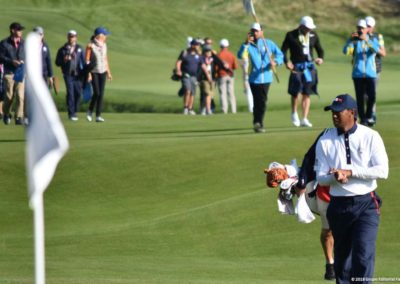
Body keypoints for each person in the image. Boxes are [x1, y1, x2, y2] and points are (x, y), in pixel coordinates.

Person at [315, 93, 389, 283]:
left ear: (352, 113)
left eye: (339, 112)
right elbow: (321, 178)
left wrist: (350, 172)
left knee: (363, 255)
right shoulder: (325, 140)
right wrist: (335, 176)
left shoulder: (371, 136)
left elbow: (382, 171)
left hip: (366, 204)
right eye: (332, 112)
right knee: (342, 262)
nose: (334, 116)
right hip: (338, 206)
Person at [295, 131, 335, 280]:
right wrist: (302, 181)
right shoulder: (326, 134)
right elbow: (309, 158)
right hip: (326, 191)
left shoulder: (364, 136)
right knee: (328, 231)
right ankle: (330, 263)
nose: (335, 116)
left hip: (353, 192)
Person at [237, 22, 284, 133]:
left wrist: (275, 62)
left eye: (257, 31)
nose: (255, 33)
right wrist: (245, 44)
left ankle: (256, 122)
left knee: (261, 101)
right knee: (259, 101)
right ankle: (259, 123)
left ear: (261, 32)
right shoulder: (248, 45)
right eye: (253, 31)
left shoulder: (269, 43)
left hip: (266, 78)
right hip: (254, 79)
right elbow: (241, 55)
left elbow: (280, 55)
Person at [281, 16, 324, 128]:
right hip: (296, 68)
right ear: (301, 26)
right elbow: (283, 51)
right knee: (295, 93)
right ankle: (294, 113)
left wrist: (320, 58)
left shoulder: (313, 35)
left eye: (310, 28)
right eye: (307, 28)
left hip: (310, 68)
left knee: (307, 93)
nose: (309, 30)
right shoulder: (291, 35)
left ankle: (304, 118)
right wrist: (286, 62)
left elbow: (320, 50)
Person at [343, 19, 380, 127]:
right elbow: (346, 51)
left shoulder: (372, 39)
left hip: (370, 73)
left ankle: (369, 115)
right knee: (360, 98)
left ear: (366, 29)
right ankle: (363, 118)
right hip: (358, 74)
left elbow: (376, 50)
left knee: (372, 96)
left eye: (362, 28)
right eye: (358, 28)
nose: (360, 30)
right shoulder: (354, 41)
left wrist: (366, 41)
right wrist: (350, 40)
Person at [55, 30, 85, 121]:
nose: (72, 38)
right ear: (68, 37)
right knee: (70, 93)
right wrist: (64, 60)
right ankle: (71, 113)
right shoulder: (62, 49)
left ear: (76, 37)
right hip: (68, 74)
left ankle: (75, 111)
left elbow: (83, 62)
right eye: (70, 36)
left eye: (73, 36)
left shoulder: (79, 48)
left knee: (78, 93)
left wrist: (88, 74)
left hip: (78, 75)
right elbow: (57, 62)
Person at [85, 26, 112, 122]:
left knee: (101, 94)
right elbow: (87, 61)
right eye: (105, 35)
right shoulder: (90, 46)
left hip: (103, 71)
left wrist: (108, 72)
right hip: (94, 72)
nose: (106, 36)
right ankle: (89, 111)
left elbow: (105, 59)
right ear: (100, 35)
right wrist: (88, 74)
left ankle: (98, 116)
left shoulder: (104, 45)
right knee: (97, 92)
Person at [0, 22, 25, 125]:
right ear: (12, 30)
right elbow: (0, 57)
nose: (20, 31)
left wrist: (24, 61)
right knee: (9, 97)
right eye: (18, 29)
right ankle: (6, 113)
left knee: (20, 96)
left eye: (21, 30)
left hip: (20, 71)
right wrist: (12, 61)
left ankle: (19, 117)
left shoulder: (24, 43)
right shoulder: (4, 43)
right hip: (9, 73)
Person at [365, 16, 386, 123]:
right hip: (361, 70)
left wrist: (372, 46)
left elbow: (383, 53)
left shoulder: (378, 36)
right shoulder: (358, 35)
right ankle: (367, 115)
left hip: (375, 69)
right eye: (366, 26)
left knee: (371, 93)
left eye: (369, 26)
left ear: (373, 27)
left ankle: (371, 115)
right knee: (364, 95)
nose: (368, 28)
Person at [175, 39, 202, 115]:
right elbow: (179, 62)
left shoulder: (198, 55)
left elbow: (202, 65)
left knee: (193, 93)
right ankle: (185, 108)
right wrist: (178, 70)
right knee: (188, 90)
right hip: (185, 75)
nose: (198, 46)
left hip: (194, 76)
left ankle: (190, 108)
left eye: (199, 45)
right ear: (192, 45)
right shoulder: (185, 53)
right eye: (197, 45)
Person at [216, 38, 238, 114]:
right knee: (231, 93)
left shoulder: (218, 55)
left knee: (223, 93)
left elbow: (216, 67)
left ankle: (224, 110)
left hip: (222, 75)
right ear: (227, 46)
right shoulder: (231, 55)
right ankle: (233, 110)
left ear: (220, 46)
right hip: (231, 76)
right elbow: (235, 67)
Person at [237, 33, 253, 113]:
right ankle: (251, 108)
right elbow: (240, 55)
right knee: (248, 91)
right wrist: (246, 45)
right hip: (247, 74)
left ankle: (255, 107)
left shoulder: (257, 46)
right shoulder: (245, 47)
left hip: (255, 73)